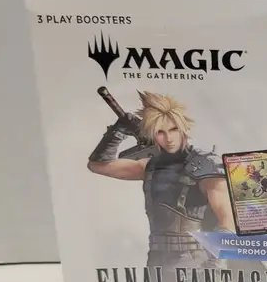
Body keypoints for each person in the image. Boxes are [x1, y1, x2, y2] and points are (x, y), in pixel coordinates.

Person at [88, 91, 234, 268]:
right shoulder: (150, 165)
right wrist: (118, 131)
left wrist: (217, 262)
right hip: (157, 257)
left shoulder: (205, 164)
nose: (169, 139)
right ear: (152, 134)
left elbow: (227, 219)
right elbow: (97, 165)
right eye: (160, 132)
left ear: (183, 128)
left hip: (193, 257)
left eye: (173, 129)